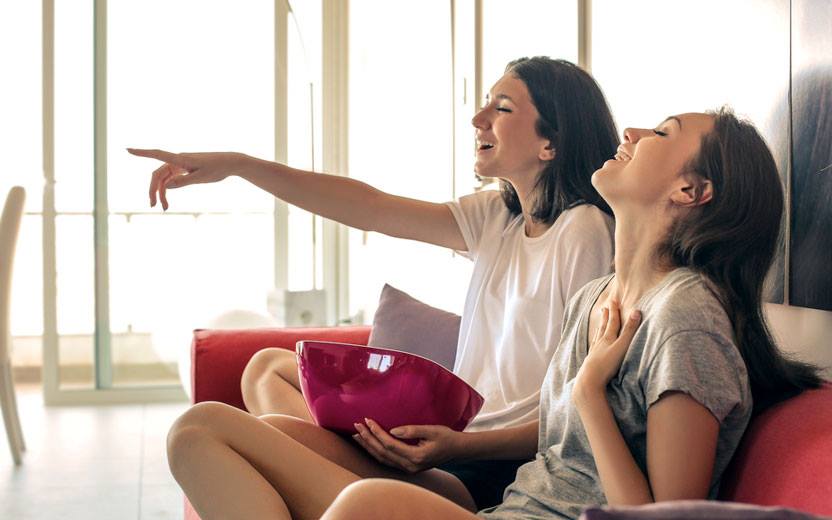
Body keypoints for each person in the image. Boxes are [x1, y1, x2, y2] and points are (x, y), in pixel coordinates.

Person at [134, 57, 620, 512]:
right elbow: (367, 206)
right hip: (445, 448)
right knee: (267, 370)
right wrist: (241, 166)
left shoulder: (583, 229)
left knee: (203, 431)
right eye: (486, 102)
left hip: (490, 471)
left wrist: (456, 446)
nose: (478, 118)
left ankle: (341, 498)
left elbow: (575, 407)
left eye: (502, 107)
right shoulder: (499, 217)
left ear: (550, 144)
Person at [313, 109, 826, 519]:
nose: (631, 131)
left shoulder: (686, 318)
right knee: (235, 430)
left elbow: (665, 518)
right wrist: (455, 448)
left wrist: (589, 393)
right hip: (512, 506)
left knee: (367, 503)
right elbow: (560, 447)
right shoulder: (595, 297)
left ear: (689, 192)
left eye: (662, 132)